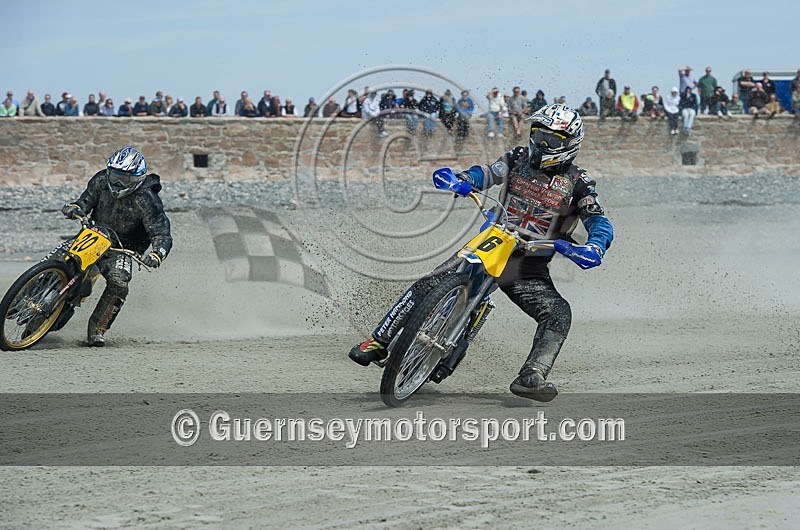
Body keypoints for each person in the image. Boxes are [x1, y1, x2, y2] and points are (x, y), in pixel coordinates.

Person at [348, 104, 613, 401]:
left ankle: (532, 375)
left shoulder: (580, 183)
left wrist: (595, 246)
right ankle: (378, 340)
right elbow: (487, 173)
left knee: (558, 313)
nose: (540, 144)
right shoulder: (517, 158)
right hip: (494, 239)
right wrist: (462, 180)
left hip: (527, 265)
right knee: (429, 282)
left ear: (568, 145)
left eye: (551, 140)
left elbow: (598, 220)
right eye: (538, 135)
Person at [60, 147, 172, 346]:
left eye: (126, 178)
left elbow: (162, 233)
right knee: (62, 256)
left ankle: (97, 329)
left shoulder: (148, 200)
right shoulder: (102, 180)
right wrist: (75, 208)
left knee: (119, 283)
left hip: (122, 249)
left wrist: (156, 255)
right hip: (93, 234)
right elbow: (85, 201)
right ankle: (29, 290)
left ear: (138, 178)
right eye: (116, 175)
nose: (118, 182)